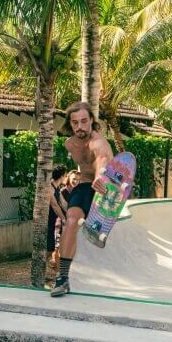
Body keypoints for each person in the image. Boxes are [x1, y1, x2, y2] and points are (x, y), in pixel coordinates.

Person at [50, 101, 115, 297]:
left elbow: (103, 159)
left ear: (91, 121)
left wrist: (100, 176)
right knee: (70, 221)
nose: (80, 126)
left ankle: (96, 223)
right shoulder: (69, 143)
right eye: (75, 122)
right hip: (84, 185)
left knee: (96, 189)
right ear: (70, 124)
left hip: (104, 185)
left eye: (84, 121)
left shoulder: (99, 142)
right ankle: (63, 278)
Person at [46, 164, 70, 287]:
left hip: (52, 221)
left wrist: (73, 213)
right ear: (62, 176)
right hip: (47, 222)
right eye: (66, 175)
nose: (66, 177)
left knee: (50, 249)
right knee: (48, 249)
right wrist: (64, 218)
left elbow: (64, 203)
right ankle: (47, 273)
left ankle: (53, 274)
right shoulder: (49, 187)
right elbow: (55, 205)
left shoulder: (57, 188)